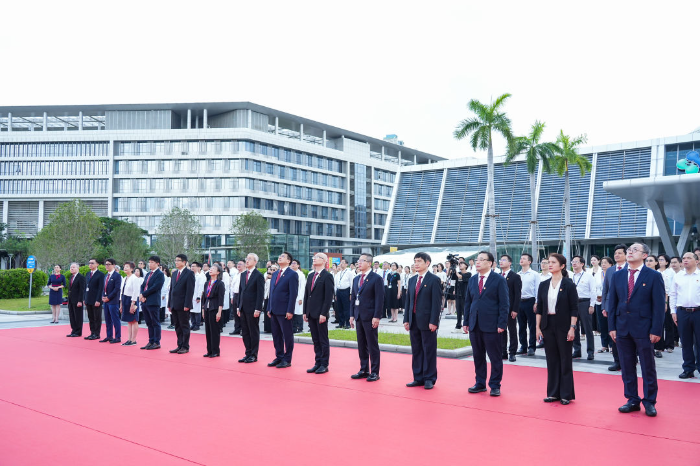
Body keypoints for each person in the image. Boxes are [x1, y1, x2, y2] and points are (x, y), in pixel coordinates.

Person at [608, 242, 665, 417]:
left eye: (635, 250)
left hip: (644, 328)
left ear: (645, 255)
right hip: (622, 327)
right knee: (626, 366)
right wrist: (612, 327)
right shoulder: (617, 276)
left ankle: (650, 401)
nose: (630, 252)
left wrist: (656, 329)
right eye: (629, 250)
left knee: (648, 366)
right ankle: (632, 399)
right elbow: (612, 303)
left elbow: (659, 305)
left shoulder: (653, 276)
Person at [463, 251, 509, 397]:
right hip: (474, 324)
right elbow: (468, 302)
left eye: (481, 260)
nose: (478, 262)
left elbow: (504, 303)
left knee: (495, 357)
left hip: (492, 325)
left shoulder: (498, 279)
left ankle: (495, 385)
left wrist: (502, 323)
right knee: (478, 356)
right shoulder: (472, 280)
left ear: (490, 263)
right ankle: (480, 383)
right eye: (477, 259)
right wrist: (466, 321)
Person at [535, 253, 579, 405]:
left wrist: (572, 328)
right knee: (551, 359)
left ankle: (566, 394)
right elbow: (539, 308)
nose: (550, 264)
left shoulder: (569, 284)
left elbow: (574, 308)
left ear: (562, 266)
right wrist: (537, 328)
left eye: (553, 262)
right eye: (549, 262)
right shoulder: (543, 284)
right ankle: (553, 393)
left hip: (564, 325)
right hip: (547, 324)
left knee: (565, 359)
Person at [403, 252, 442, 389]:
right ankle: (418, 377)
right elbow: (408, 301)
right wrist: (406, 319)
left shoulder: (434, 280)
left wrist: (434, 321)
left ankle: (429, 378)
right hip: (413, 320)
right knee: (416, 350)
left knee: (429, 350)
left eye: (419, 261)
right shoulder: (412, 279)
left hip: (427, 321)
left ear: (427, 263)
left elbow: (436, 303)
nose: (416, 264)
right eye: (415, 261)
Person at [349, 253, 384, 382]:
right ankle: (364, 369)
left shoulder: (376, 278)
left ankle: (374, 372)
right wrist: (351, 315)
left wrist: (377, 316)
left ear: (369, 263)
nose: (359, 263)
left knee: (372, 344)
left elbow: (380, 299)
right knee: (361, 344)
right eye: (358, 261)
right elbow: (353, 298)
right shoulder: (356, 278)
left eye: (362, 260)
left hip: (370, 316)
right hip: (358, 315)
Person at [303, 252, 335, 374]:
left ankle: (324, 364)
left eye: (317, 257)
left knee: (322, 339)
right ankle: (317, 362)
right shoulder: (311, 275)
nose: (314, 259)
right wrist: (305, 311)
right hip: (311, 312)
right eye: (314, 257)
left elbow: (328, 297)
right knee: (315, 339)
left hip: (320, 313)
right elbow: (307, 294)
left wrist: (324, 313)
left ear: (324, 261)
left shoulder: (327, 276)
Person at [670, 252, 700, 378]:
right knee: (685, 342)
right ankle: (688, 368)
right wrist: (673, 311)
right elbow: (673, 294)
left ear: (697, 261)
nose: (685, 260)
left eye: (689, 258)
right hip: (682, 312)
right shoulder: (678, 276)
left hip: (698, 311)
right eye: (684, 258)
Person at [267, 252, 299, 368]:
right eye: (279, 256)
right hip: (274, 309)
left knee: (287, 335)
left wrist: (290, 310)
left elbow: (293, 294)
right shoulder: (275, 273)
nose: (279, 257)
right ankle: (279, 356)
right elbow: (271, 292)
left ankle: (287, 359)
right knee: (276, 335)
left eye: (283, 257)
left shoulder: (292, 274)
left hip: (284, 310)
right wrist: (269, 307)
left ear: (289, 261)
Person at [602, 244, 627, 371]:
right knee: (613, 334)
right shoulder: (610, 270)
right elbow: (605, 290)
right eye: (615, 253)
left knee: (627, 334)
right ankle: (617, 361)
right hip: (611, 307)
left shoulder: (630, 268)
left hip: (626, 308)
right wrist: (604, 307)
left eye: (620, 253)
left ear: (626, 255)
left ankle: (630, 359)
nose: (617, 255)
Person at [236, 253, 265, 363]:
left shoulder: (258, 275)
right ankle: (247, 353)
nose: (247, 261)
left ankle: (253, 354)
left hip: (253, 309)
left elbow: (260, 294)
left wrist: (258, 308)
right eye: (246, 259)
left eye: (249, 259)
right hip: (243, 307)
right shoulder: (243, 274)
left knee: (253, 332)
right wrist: (239, 307)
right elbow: (241, 291)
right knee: (245, 332)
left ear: (255, 262)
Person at [168, 254, 195, 354]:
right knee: (177, 326)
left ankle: (185, 346)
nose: (176, 262)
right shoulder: (175, 273)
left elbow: (190, 291)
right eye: (175, 260)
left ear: (184, 262)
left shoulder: (189, 273)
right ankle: (179, 345)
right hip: (174, 304)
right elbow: (171, 290)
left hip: (183, 304)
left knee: (184, 326)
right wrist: (169, 303)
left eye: (178, 260)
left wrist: (187, 304)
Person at [571, 255, 596, 360]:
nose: (574, 263)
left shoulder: (588, 276)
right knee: (574, 327)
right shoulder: (570, 276)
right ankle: (577, 350)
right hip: (573, 304)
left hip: (585, 303)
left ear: (582, 264)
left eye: (576, 261)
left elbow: (593, 291)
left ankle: (590, 352)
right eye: (573, 261)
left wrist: (592, 305)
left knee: (587, 328)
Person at [139, 256, 165, 350]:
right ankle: (151, 341)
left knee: (155, 322)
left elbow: (156, 287)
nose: (150, 264)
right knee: (149, 323)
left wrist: (144, 294)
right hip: (145, 301)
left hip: (153, 301)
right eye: (149, 262)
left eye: (152, 262)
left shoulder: (160, 274)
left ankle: (156, 342)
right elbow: (143, 285)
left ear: (157, 263)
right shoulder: (148, 274)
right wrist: (142, 294)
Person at [499, 255, 522, 362]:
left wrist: (515, 309)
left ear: (510, 263)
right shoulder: (498, 276)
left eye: (504, 260)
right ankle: (503, 351)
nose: (501, 262)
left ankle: (512, 352)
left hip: (510, 308)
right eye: (500, 260)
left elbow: (517, 294)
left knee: (512, 330)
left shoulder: (515, 276)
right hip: (499, 309)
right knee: (501, 330)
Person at [518, 253, 540, 356]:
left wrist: (536, 302)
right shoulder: (517, 274)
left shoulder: (535, 274)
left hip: (530, 301)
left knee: (532, 325)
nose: (521, 260)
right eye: (521, 258)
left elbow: (538, 289)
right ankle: (523, 346)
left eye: (524, 258)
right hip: (519, 302)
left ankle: (532, 347)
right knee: (521, 326)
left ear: (529, 262)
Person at [202, 264, 226, 358]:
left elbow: (221, 299)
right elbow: (204, 298)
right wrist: (203, 310)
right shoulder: (207, 283)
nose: (211, 270)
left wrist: (219, 312)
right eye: (210, 268)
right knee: (208, 330)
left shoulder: (220, 283)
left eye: (213, 269)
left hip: (215, 308)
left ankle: (215, 351)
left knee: (214, 330)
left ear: (218, 272)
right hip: (207, 308)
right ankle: (209, 350)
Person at [644, 255, 663, 358]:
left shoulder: (658, 275)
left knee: (657, 325)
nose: (648, 262)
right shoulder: (642, 274)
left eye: (651, 260)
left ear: (656, 263)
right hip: (645, 307)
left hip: (655, 304)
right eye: (647, 261)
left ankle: (658, 348)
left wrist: (665, 303)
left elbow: (664, 292)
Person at [100, 258, 122, 344]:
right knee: (107, 319)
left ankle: (117, 337)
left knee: (115, 319)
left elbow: (117, 289)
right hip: (106, 300)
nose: (107, 266)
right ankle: (109, 336)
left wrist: (109, 297)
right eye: (106, 264)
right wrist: (103, 297)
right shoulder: (106, 275)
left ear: (113, 265)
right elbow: (104, 287)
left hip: (113, 300)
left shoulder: (117, 276)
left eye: (109, 264)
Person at [657, 254, 676, 353]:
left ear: (667, 262)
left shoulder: (671, 272)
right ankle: (660, 345)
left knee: (668, 323)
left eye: (662, 260)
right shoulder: (656, 272)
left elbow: (670, 288)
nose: (660, 261)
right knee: (659, 323)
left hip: (668, 298)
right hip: (657, 299)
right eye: (659, 259)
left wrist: (666, 302)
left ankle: (669, 345)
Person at [120, 262, 141, 346]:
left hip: (132, 300)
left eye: (127, 267)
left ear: (132, 269)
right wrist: (121, 304)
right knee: (129, 321)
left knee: (134, 320)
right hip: (125, 299)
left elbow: (136, 291)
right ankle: (129, 339)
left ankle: (133, 340)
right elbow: (121, 291)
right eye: (124, 267)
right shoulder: (124, 278)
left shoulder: (135, 278)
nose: (125, 268)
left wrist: (133, 303)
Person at [83, 259, 105, 340]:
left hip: (96, 299)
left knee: (97, 317)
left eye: (92, 263)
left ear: (97, 264)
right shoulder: (88, 274)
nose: (90, 264)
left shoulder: (100, 274)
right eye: (89, 263)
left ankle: (96, 333)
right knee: (91, 317)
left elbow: (101, 288)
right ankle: (92, 332)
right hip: (88, 298)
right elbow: (85, 287)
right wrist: (84, 298)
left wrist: (98, 300)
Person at [596, 257, 613, 353]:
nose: (603, 264)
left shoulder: (613, 273)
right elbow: (594, 287)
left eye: (605, 263)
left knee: (610, 323)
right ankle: (604, 344)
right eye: (602, 263)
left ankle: (612, 344)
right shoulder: (597, 274)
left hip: (610, 301)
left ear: (611, 264)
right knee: (602, 324)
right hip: (599, 301)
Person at [66, 263, 85, 337]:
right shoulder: (71, 277)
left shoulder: (81, 277)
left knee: (78, 316)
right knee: (72, 316)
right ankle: (73, 330)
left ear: (78, 268)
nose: (72, 269)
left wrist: (80, 300)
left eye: (73, 267)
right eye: (71, 267)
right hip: (71, 299)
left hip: (77, 300)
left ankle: (78, 331)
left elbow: (82, 290)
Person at [334, 259, 354, 329]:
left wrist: (351, 293)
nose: (341, 264)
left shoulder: (349, 273)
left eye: (343, 262)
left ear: (346, 264)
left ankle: (348, 323)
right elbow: (336, 283)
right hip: (339, 291)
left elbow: (351, 283)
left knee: (346, 308)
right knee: (340, 308)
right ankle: (341, 323)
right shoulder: (339, 273)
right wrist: (335, 294)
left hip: (346, 291)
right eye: (341, 262)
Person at [291, 259, 307, 333]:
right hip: (291, 296)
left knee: (298, 312)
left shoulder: (301, 275)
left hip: (298, 297)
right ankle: (293, 328)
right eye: (292, 263)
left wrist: (300, 298)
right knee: (293, 312)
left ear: (298, 265)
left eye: (294, 263)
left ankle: (300, 328)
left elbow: (302, 287)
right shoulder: (290, 273)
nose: (293, 264)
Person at [455, 261, 471, 331]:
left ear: (466, 266)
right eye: (459, 264)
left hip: (465, 294)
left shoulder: (468, 274)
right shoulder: (458, 273)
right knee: (458, 310)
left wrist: (455, 270)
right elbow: (451, 277)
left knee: (465, 310)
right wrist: (451, 268)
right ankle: (458, 325)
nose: (460, 265)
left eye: (462, 264)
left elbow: (460, 276)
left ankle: (466, 324)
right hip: (458, 294)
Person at [190, 262, 205, 331]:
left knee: (197, 311)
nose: (192, 268)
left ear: (198, 267)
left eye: (194, 266)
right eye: (191, 266)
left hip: (196, 296)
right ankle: (193, 324)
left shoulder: (199, 276)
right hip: (190, 296)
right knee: (191, 311)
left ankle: (197, 325)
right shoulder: (190, 275)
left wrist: (199, 296)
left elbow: (200, 287)